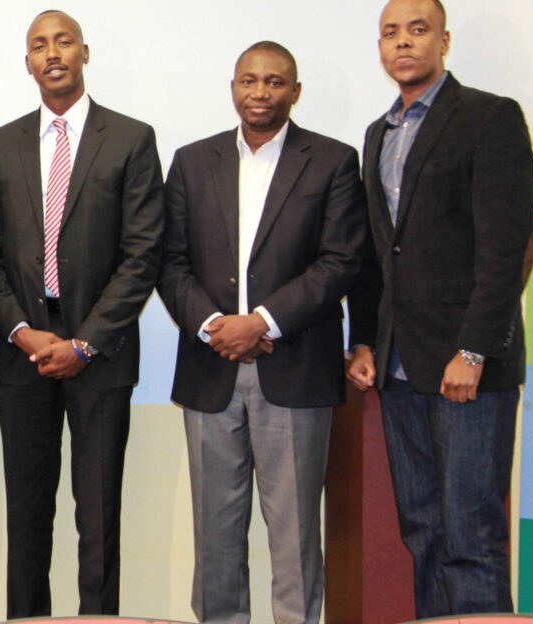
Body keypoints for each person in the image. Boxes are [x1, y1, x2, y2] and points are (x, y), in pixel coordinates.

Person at [158, 42, 367, 624]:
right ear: (233, 87)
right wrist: (214, 327)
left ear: (295, 92)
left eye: (275, 83)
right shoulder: (193, 161)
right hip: (210, 372)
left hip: (295, 370)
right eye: (249, 81)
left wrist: (262, 322)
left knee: (296, 537)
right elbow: (169, 262)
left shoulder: (332, 160)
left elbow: (341, 260)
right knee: (215, 538)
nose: (260, 93)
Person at [346, 0, 533, 617]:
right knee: (424, 531)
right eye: (390, 33)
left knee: (472, 537)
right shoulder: (379, 134)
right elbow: (378, 253)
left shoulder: (490, 116)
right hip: (401, 367)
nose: (403, 43)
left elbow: (508, 246)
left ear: (444, 41)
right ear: (380, 48)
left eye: (418, 30)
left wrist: (475, 348)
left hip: (467, 368)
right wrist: (367, 340)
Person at [0, 10, 164, 618]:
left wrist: (83, 343)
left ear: (84, 52)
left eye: (63, 42)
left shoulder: (132, 138)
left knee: (98, 518)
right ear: (27, 61)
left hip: (99, 358)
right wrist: (25, 334)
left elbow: (143, 255)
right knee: (26, 515)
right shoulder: (1, 144)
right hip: (22, 355)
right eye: (39, 45)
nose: (52, 53)